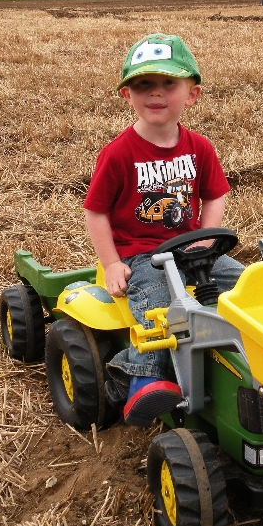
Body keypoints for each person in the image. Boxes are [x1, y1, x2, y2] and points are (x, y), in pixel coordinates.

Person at [82, 33, 245, 427]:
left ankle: (260, 355)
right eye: (143, 85)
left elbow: (214, 195)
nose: (155, 94)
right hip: (143, 257)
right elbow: (95, 212)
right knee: (158, 307)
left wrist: (208, 237)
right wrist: (112, 264)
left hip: (192, 250)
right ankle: (138, 380)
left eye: (168, 84)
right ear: (127, 95)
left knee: (249, 286)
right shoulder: (119, 153)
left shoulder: (200, 148)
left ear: (192, 94)